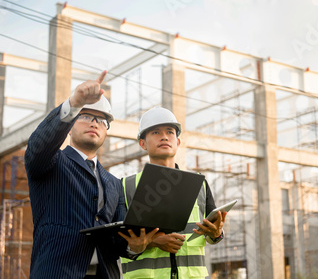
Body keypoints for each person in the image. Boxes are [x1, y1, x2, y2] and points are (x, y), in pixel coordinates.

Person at [25, 71, 158, 278]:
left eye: (101, 120)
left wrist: (136, 246)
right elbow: (37, 147)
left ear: (106, 131)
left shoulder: (113, 184)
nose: (94, 123)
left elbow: (117, 243)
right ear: (69, 127)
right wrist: (74, 103)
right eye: (85, 116)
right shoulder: (51, 163)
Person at [120, 106, 227, 279]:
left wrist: (217, 234)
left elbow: (212, 233)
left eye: (170, 132)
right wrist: (153, 242)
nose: (164, 136)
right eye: (155, 132)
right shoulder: (126, 186)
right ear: (142, 143)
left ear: (177, 142)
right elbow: (115, 241)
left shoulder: (199, 183)